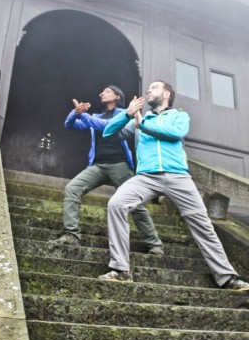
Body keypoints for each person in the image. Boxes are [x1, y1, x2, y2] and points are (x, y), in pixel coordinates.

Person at [98, 80, 249, 291]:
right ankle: (120, 270)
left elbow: (175, 133)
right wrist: (127, 115)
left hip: (178, 178)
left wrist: (142, 124)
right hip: (146, 177)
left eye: (154, 87)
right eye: (148, 88)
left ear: (167, 94)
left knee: (202, 224)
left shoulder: (178, 116)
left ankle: (227, 277)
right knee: (116, 204)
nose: (148, 90)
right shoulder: (137, 120)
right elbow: (108, 133)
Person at [50, 85, 164, 256]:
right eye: (101, 91)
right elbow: (70, 125)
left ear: (117, 96)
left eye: (107, 91)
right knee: (72, 189)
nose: (102, 93)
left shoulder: (125, 114)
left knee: (136, 204)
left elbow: (106, 126)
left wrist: (85, 116)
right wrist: (75, 112)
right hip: (98, 165)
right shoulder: (96, 116)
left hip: (120, 165)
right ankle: (71, 234)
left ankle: (154, 244)